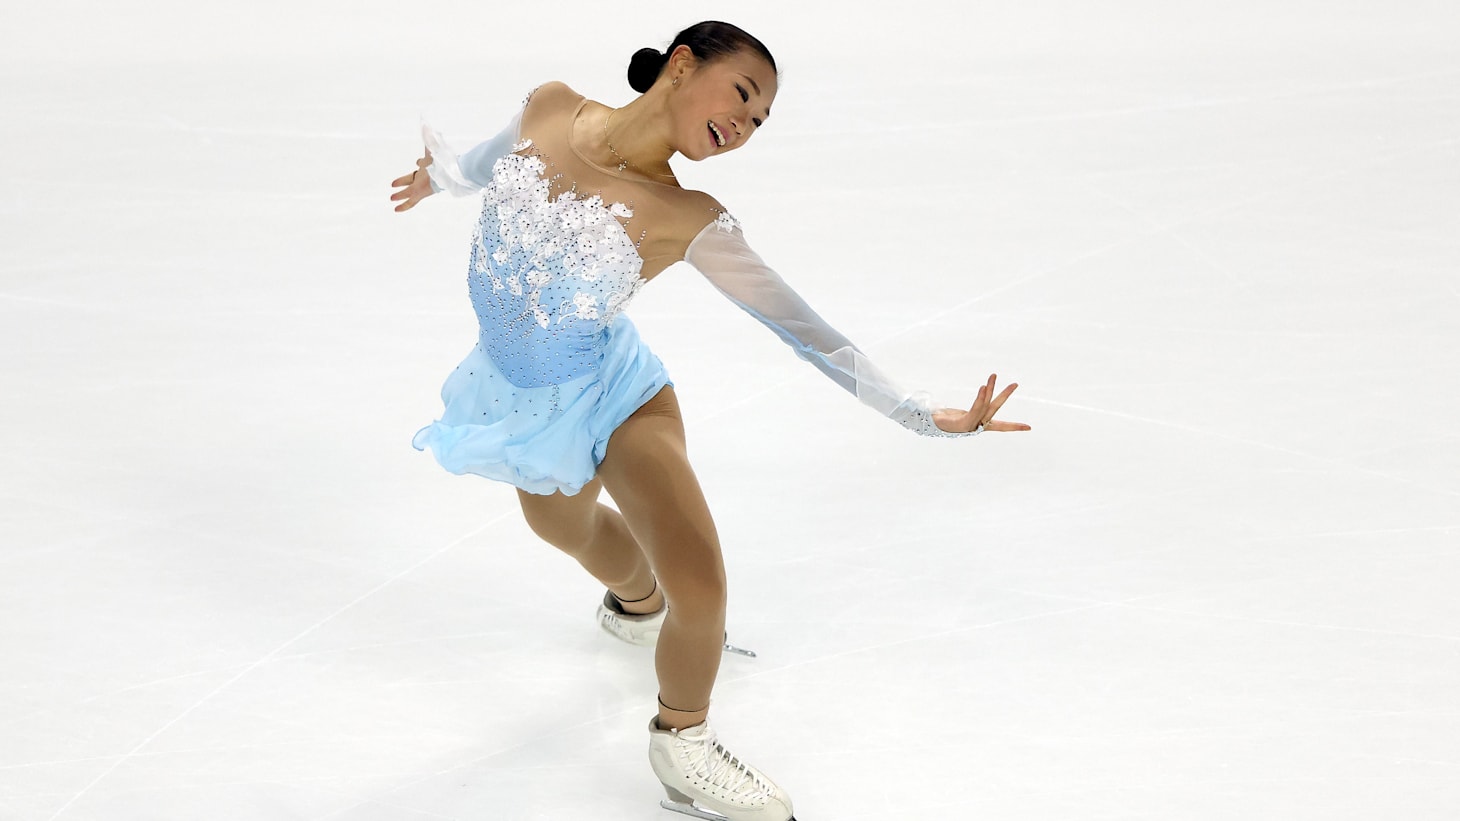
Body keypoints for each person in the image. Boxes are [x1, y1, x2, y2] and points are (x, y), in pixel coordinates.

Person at [389, 20, 1029, 821]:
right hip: (522, 403)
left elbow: (802, 328)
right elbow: (491, 162)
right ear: (683, 65)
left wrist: (918, 413)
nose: (746, 124)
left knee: (702, 587)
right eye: (743, 95)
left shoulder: (689, 215)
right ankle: (637, 606)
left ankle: (682, 742)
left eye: (760, 120)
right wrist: (444, 175)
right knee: (564, 528)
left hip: (617, 395)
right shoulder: (549, 105)